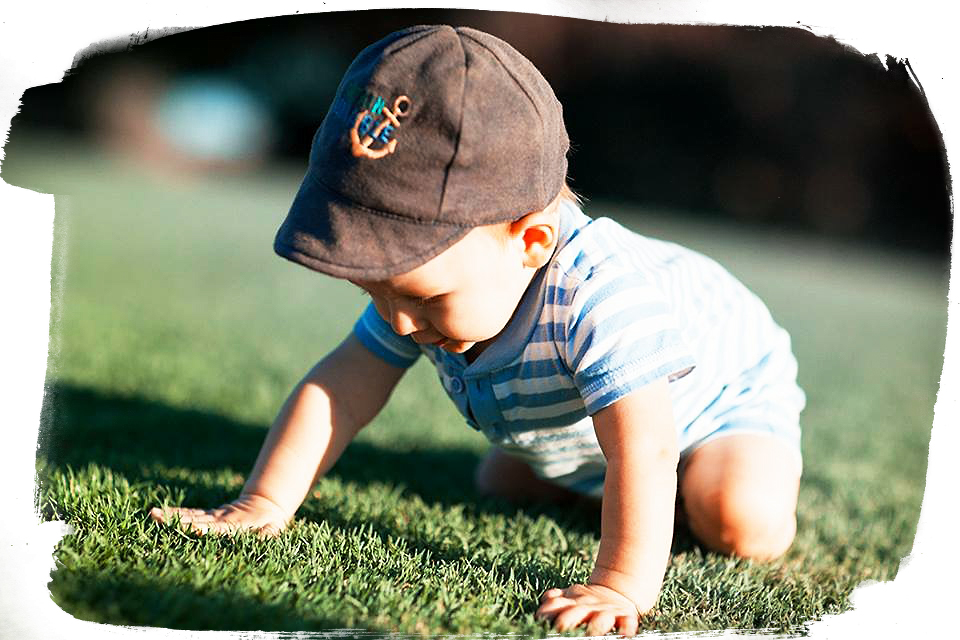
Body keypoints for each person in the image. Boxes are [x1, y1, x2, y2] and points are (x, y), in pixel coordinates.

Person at [150, 25, 805, 636]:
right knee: (503, 481)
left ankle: (704, 490)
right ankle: (599, 481)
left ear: (532, 241)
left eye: (424, 296)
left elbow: (648, 448)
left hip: (720, 406)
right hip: (595, 422)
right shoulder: (429, 289)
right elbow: (340, 391)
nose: (399, 319)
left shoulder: (599, 299)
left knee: (735, 517)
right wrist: (260, 503)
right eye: (372, 286)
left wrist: (620, 585)